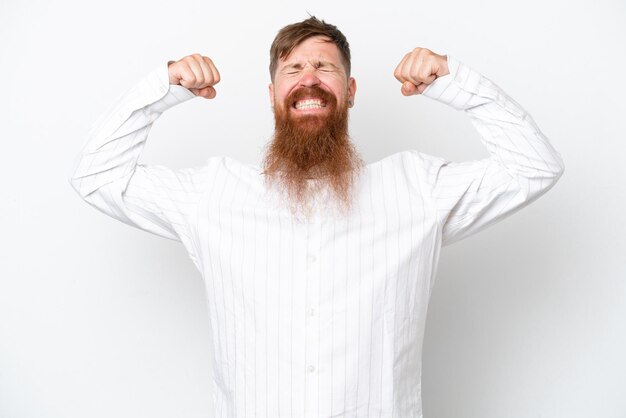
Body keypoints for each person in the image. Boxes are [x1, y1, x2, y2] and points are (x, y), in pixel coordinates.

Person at [68, 16, 564, 418]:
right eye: (293, 68)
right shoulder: (213, 194)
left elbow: (534, 167)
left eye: (325, 67)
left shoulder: (416, 189)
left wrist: (455, 82)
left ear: (350, 91)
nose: (309, 78)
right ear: (271, 95)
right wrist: (164, 86)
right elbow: (95, 176)